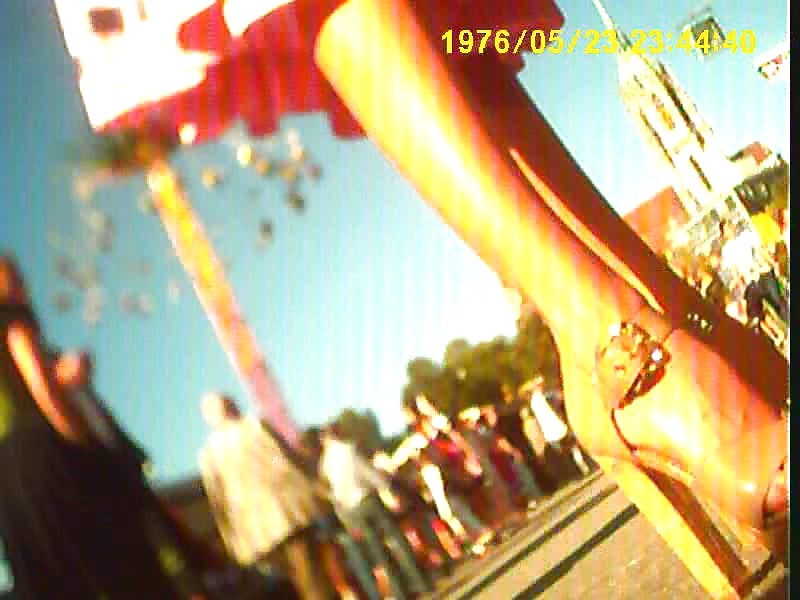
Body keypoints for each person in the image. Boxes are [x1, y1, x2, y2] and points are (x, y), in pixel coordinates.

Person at [0, 255, 183, 599]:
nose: (23, 286)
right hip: (45, 459)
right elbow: (43, 390)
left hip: (10, 485)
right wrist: (83, 445)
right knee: (119, 568)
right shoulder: (13, 319)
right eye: (13, 278)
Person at [198, 392, 335, 600]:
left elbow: (218, 504)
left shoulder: (208, 455)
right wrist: (317, 489)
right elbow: (286, 460)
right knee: (312, 576)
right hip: (286, 514)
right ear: (230, 406)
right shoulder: (254, 425)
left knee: (290, 583)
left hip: (254, 533)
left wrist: (232, 540)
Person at [317, 425, 432, 600]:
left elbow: (335, 496)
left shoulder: (324, 465)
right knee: (396, 538)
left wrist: (345, 518)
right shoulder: (348, 449)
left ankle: (400, 592)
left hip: (352, 509)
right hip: (368, 499)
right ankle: (420, 582)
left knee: (377, 552)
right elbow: (368, 473)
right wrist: (387, 489)